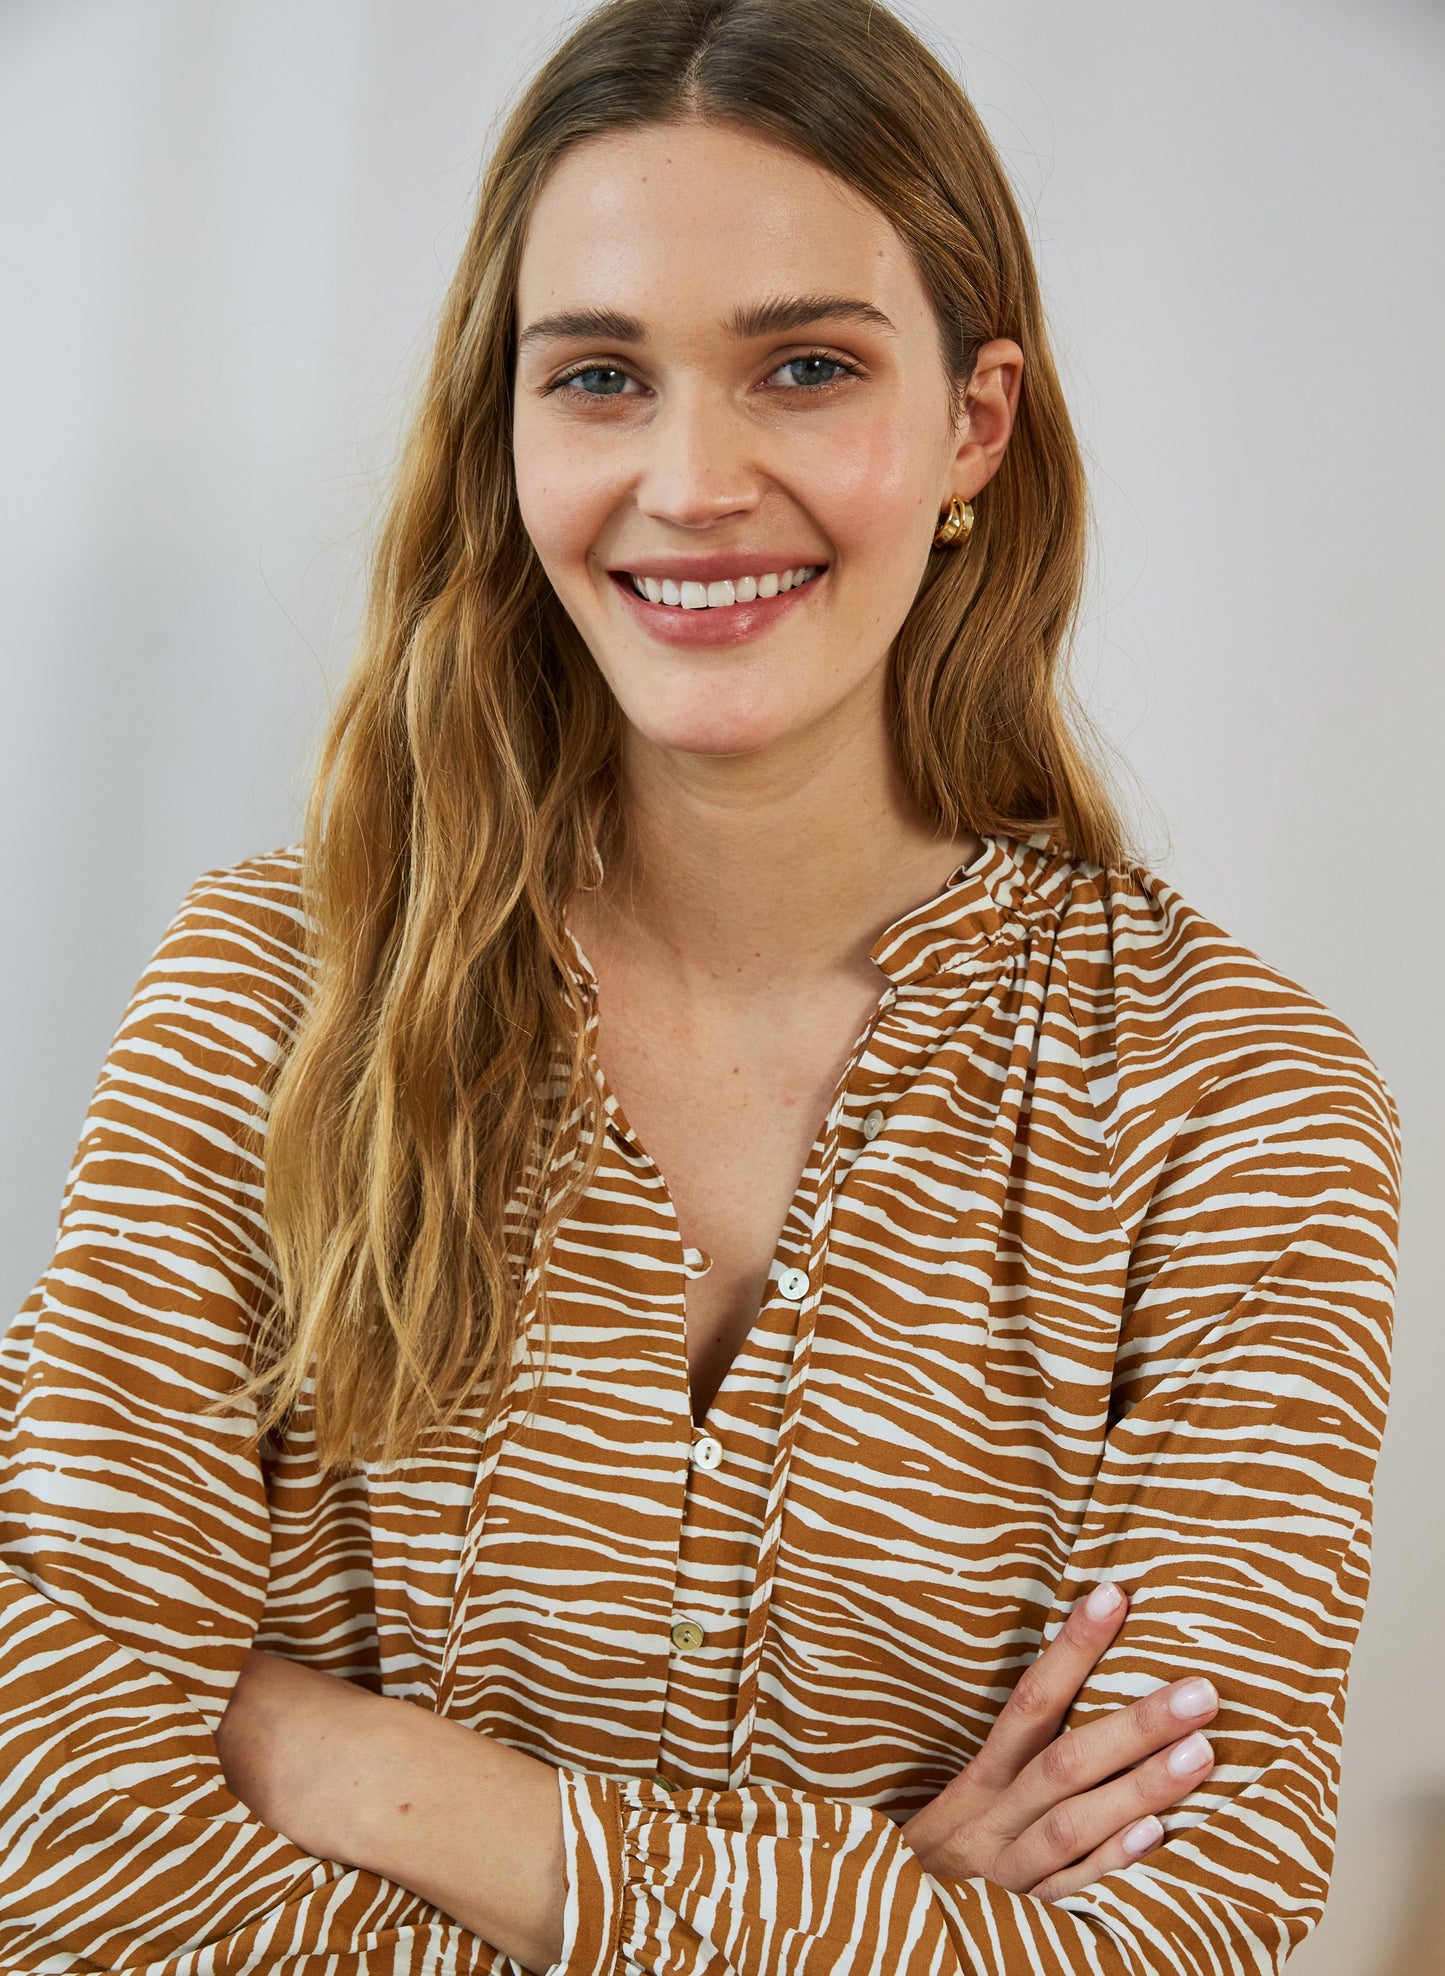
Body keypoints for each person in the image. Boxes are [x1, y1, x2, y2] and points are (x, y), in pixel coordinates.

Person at [0, 1, 1400, 1971]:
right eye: (598, 377)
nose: (691, 478)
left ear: (975, 423)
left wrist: (379, 1777)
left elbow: (1180, 1934)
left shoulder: (1241, 1112)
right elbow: (55, 1842)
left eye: (805, 366)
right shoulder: (266, 1004)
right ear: (509, 430)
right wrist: (888, 1910)